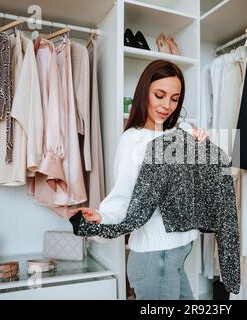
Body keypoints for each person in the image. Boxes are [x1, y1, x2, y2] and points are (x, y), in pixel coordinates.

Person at [71, 60, 207, 300]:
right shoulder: (133, 141)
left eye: (174, 99)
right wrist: (103, 217)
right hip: (156, 259)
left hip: (176, 256)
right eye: (159, 95)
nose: (167, 105)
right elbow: (124, 197)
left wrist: (200, 150)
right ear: (145, 91)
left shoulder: (177, 135)